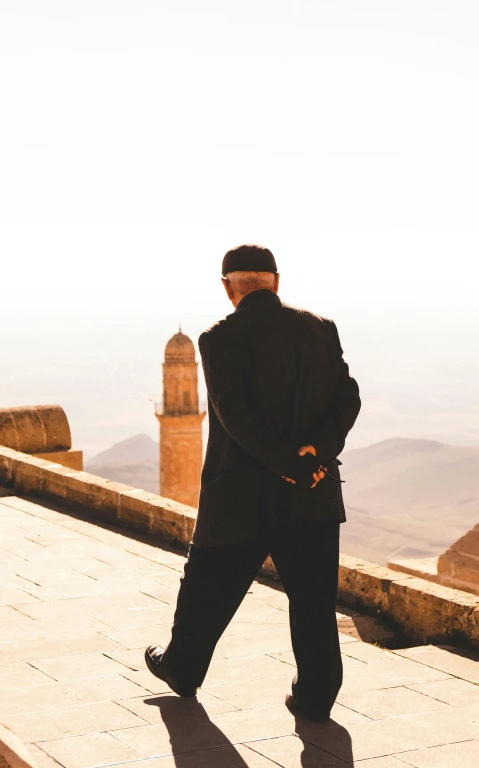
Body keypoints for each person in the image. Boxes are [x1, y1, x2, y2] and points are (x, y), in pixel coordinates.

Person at [145, 244, 361, 722]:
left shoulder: (218, 337)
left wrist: (287, 463)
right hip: (313, 490)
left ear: (228, 287)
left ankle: (181, 668)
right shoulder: (321, 329)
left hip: (240, 496)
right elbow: (348, 398)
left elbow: (234, 415)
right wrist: (315, 457)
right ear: (276, 282)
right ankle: (316, 696)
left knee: (205, 584)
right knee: (314, 600)